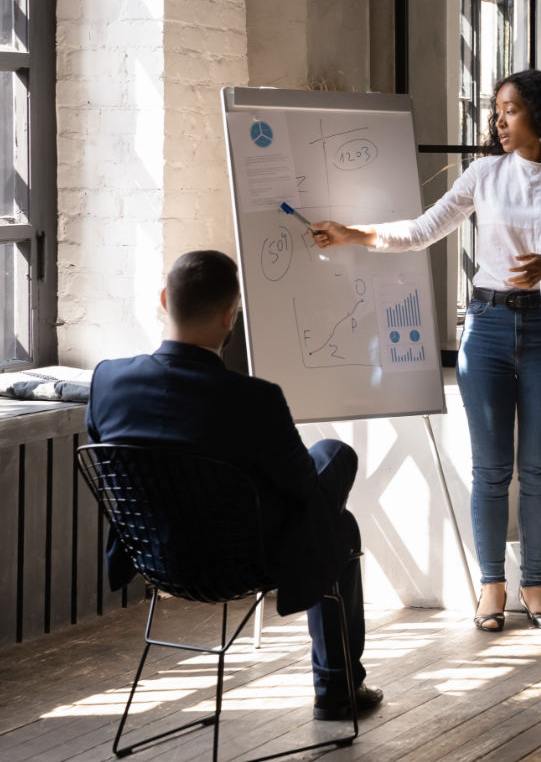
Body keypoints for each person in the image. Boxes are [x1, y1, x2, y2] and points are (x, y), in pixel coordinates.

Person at [312, 69, 541, 633]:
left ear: (540, 116)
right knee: (491, 470)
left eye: (510, 109)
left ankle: (534, 585)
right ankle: (491, 586)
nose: (498, 120)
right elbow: (423, 230)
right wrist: (355, 234)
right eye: (497, 110)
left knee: (539, 469)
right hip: (488, 327)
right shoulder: (485, 174)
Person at [87, 250, 382, 721]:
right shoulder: (255, 400)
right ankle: (337, 687)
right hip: (241, 564)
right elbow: (302, 490)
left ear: (165, 300)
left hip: (156, 558)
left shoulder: (108, 381)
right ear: (230, 315)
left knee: (330, 476)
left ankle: (339, 685)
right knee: (339, 510)